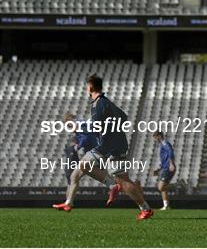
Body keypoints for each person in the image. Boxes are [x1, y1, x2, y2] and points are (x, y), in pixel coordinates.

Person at [53, 75, 153, 220]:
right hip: (112, 143)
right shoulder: (106, 102)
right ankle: (128, 196)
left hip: (109, 145)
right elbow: (123, 117)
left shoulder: (98, 104)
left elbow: (95, 127)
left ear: (91, 87)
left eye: (87, 86)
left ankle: (122, 192)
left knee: (120, 179)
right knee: (94, 169)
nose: (86, 89)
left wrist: (80, 127)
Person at [152, 131, 176, 211]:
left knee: (161, 187)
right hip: (165, 168)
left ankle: (176, 186)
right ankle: (166, 206)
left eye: (155, 138)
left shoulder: (165, 143)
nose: (155, 140)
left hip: (168, 168)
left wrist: (171, 164)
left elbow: (170, 152)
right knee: (162, 188)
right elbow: (164, 159)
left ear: (159, 136)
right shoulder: (162, 144)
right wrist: (158, 169)